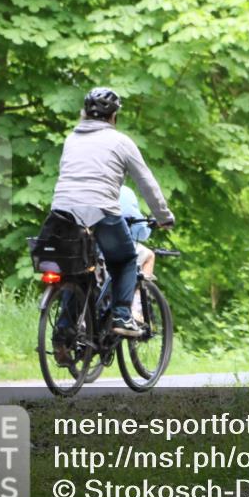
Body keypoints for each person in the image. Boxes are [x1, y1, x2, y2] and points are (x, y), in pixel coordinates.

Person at [50, 88, 173, 363]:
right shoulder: (120, 141)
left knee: (77, 272)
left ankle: (63, 336)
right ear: (113, 116)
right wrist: (163, 216)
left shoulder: (71, 139)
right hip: (101, 211)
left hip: (61, 213)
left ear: (84, 113)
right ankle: (121, 315)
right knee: (127, 258)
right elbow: (146, 182)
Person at [119, 185, 155, 322]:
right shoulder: (124, 191)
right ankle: (135, 308)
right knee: (149, 256)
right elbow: (140, 230)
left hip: (83, 243)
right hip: (114, 245)